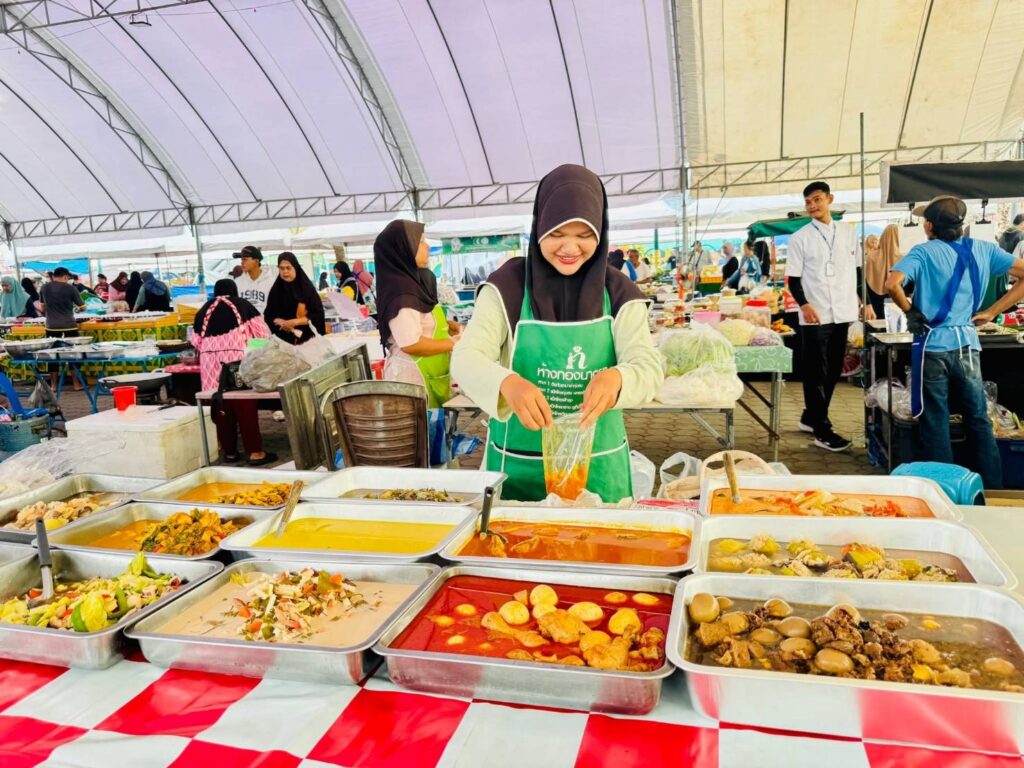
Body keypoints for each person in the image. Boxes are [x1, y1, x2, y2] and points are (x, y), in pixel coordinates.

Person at [451, 164, 664, 503]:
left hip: (598, 470)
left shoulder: (619, 293)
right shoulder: (506, 287)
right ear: (539, 228)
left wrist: (618, 378)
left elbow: (648, 366)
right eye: (557, 233)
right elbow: (466, 358)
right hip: (517, 469)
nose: (570, 247)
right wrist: (507, 383)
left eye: (584, 235)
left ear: (601, 232)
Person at [886, 196, 1024, 488]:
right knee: (978, 418)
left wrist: (910, 312)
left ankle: (945, 489)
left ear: (929, 226)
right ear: (962, 224)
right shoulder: (985, 249)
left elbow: (892, 284)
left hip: (933, 346)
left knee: (936, 419)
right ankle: (992, 489)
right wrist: (993, 311)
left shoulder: (923, 252)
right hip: (968, 346)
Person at [786, 180, 874, 452]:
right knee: (815, 370)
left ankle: (810, 417)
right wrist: (804, 305)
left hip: (844, 310)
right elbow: (793, 279)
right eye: (808, 202)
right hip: (816, 313)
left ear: (829, 199)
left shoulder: (848, 232)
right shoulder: (800, 238)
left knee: (835, 367)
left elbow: (858, 271)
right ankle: (822, 430)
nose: (812, 205)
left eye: (817, 199)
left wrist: (866, 301)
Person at [373, 220, 458, 407]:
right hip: (412, 378)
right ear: (404, 248)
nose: (427, 246)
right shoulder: (402, 291)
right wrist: (453, 343)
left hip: (430, 373)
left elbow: (421, 321)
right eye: (421, 241)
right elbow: (411, 343)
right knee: (421, 425)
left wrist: (446, 327)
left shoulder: (417, 283)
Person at [192, 280, 276, 466]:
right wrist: (250, 349)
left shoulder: (204, 310)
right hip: (237, 361)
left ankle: (229, 452)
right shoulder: (243, 305)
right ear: (234, 290)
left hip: (210, 362)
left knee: (220, 403)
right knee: (243, 404)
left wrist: (213, 350)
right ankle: (255, 452)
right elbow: (263, 335)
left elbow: (196, 341)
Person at [264, 252, 326, 345]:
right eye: (281, 268)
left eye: (288, 268)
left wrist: (295, 322)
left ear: (295, 267)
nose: (285, 271)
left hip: (307, 341)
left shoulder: (306, 289)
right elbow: (268, 314)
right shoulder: (276, 290)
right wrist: (278, 322)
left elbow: (318, 315)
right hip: (282, 341)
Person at [39, 267, 85, 389]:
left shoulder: (44, 288)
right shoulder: (70, 288)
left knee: (52, 355)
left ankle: (54, 385)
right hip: (69, 326)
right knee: (73, 354)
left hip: (51, 326)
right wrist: (73, 308)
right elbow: (83, 306)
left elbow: (42, 307)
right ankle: (76, 384)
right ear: (65, 276)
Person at [865, 225, 901, 319]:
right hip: (898, 304)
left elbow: (865, 283)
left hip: (874, 306)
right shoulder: (903, 259)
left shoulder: (870, 257)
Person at [233, 245, 276, 314]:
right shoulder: (237, 282)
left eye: (245, 259)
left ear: (256, 261)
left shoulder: (272, 281)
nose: (242, 262)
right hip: (245, 320)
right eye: (241, 259)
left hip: (265, 320)